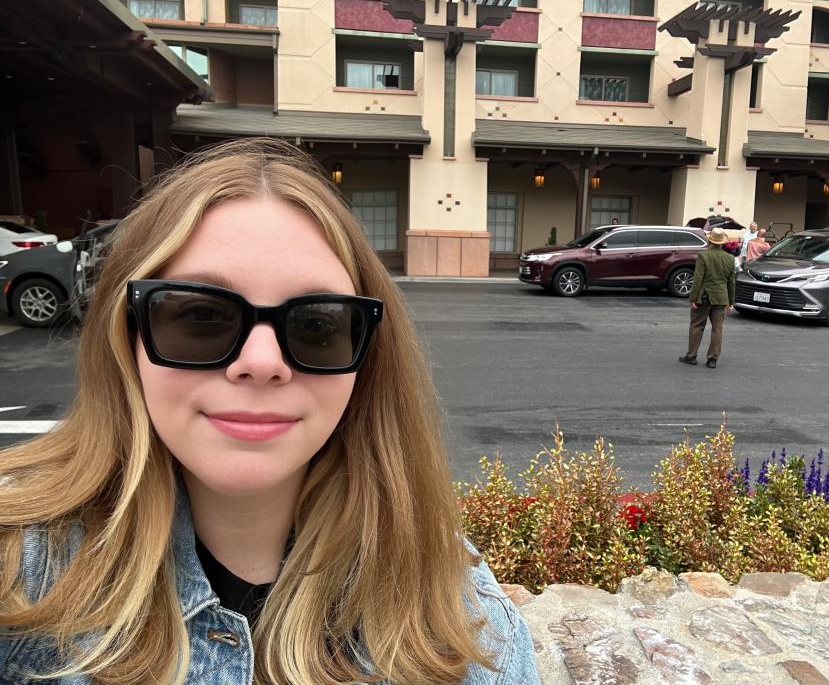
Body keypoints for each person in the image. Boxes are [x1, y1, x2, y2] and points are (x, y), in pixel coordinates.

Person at [0, 139, 539, 685]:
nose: (262, 363)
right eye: (200, 315)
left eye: (317, 323)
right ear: (127, 335)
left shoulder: (467, 621)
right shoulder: (18, 572)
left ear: (366, 358)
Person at [679, 227, 737, 369]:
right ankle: (712, 359)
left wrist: (693, 298)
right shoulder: (730, 258)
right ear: (723, 242)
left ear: (710, 240)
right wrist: (731, 301)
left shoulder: (703, 256)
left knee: (697, 326)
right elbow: (731, 282)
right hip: (721, 297)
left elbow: (698, 278)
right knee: (717, 329)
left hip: (704, 296)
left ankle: (691, 356)